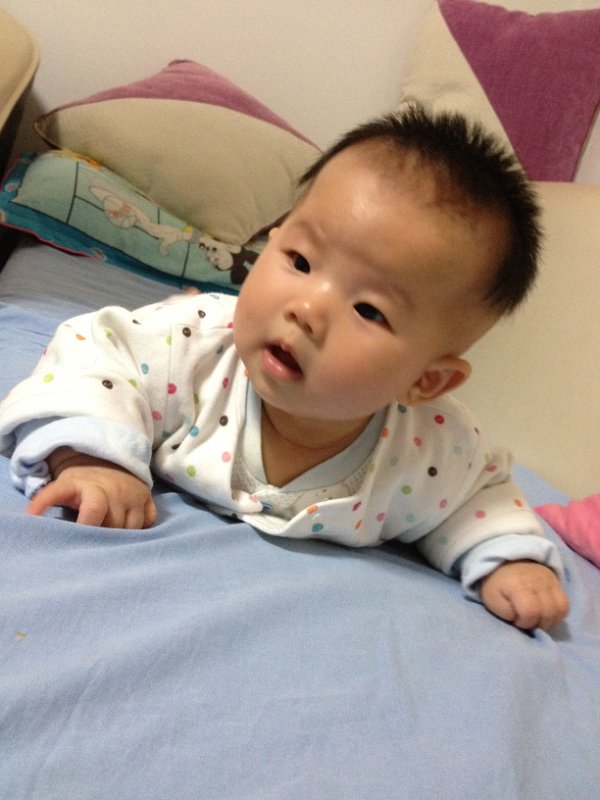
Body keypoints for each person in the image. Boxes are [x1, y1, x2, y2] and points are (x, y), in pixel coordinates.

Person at [0, 106, 569, 630]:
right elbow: (93, 354)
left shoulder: (432, 452)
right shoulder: (191, 345)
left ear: (427, 381)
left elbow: (478, 499)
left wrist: (510, 559)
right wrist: (91, 458)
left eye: (369, 309)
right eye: (299, 260)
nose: (307, 309)